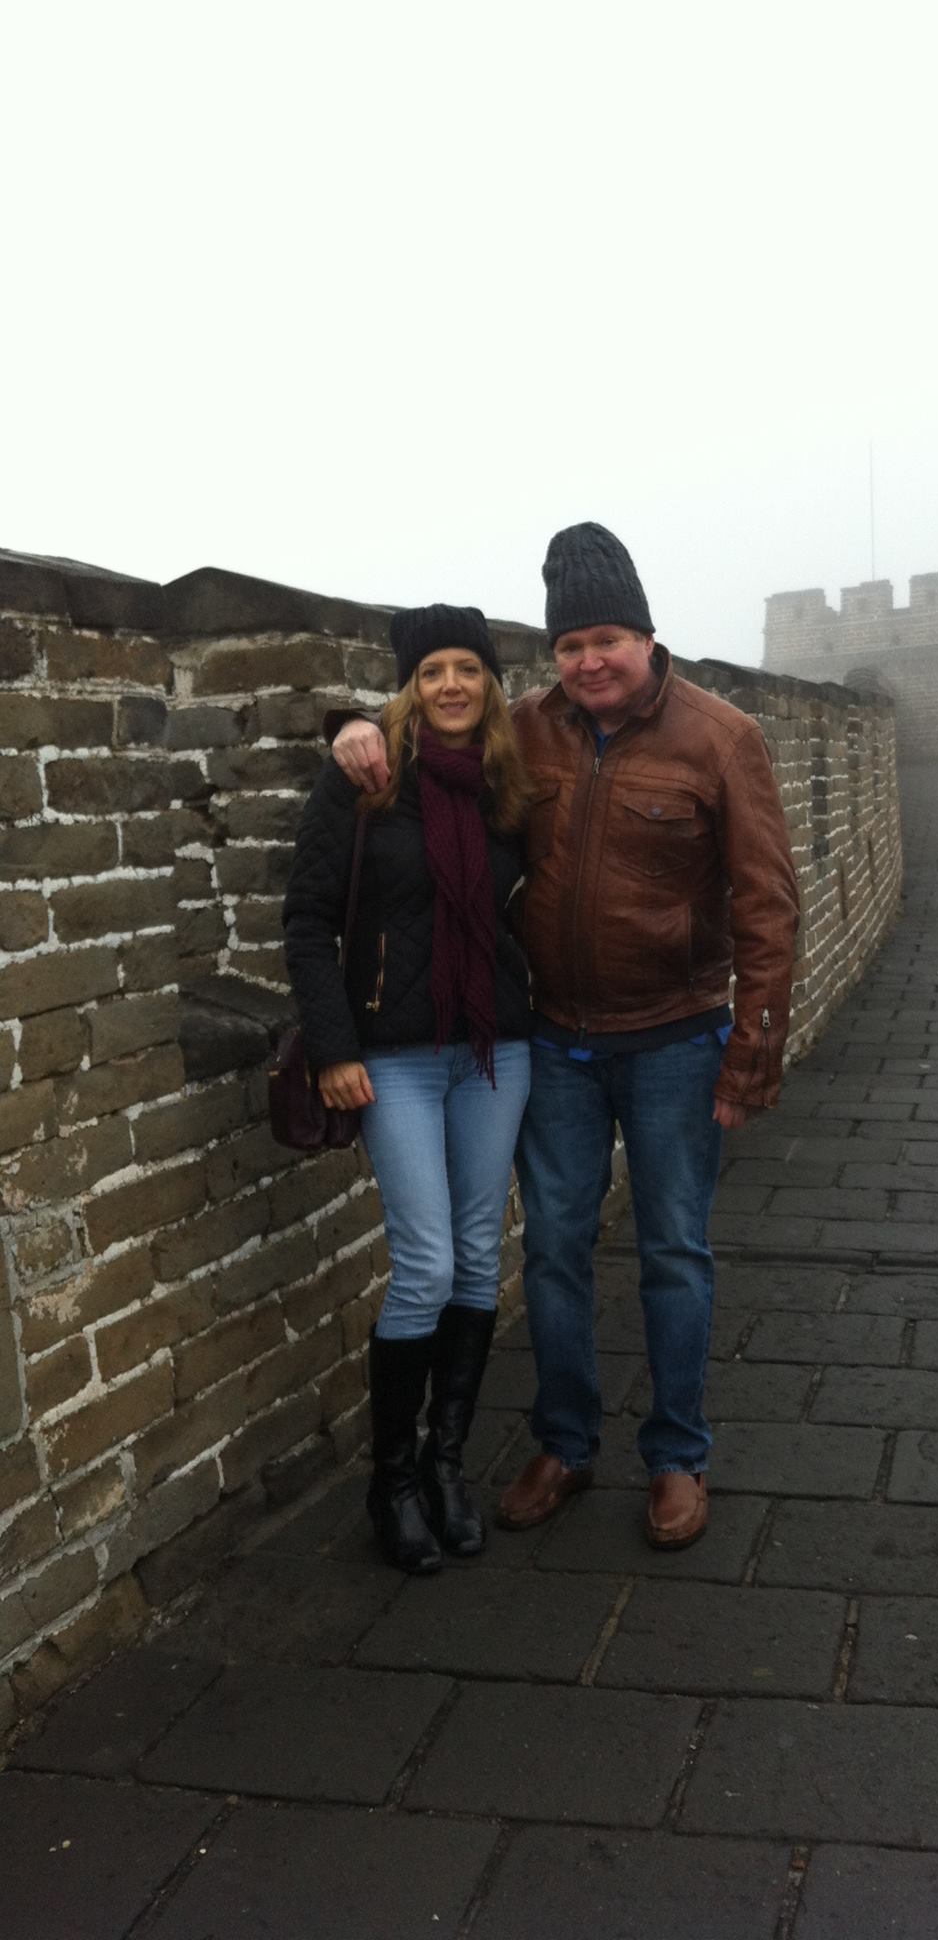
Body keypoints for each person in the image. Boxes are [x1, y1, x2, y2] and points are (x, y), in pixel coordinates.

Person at [331, 524, 800, 1550]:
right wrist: (350, 725)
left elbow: (768, 904)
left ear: (646, 637)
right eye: (571, 645)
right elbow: (427, 727)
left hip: (676, 1038)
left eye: (607, 640)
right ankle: (565, 1440)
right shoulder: (526, 730)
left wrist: (751, 1053)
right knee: (550, 1249)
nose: (589, 661)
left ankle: (675, 1456)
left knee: (673, 1251)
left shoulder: (720, 737)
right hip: (552, 1042)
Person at [284, 605, 534, 1575]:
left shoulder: (508, 785)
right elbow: (307, 919)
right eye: (431, 670)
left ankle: (444, 1464)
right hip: (390, 1055)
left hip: (493, 1048)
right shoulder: (364, 776)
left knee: (478, 1255)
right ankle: (389, 1482)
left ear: (491, 683)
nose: (452, 684)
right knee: (425, 1262)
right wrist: (332, 1047)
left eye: (468, 666)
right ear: (408, 686)